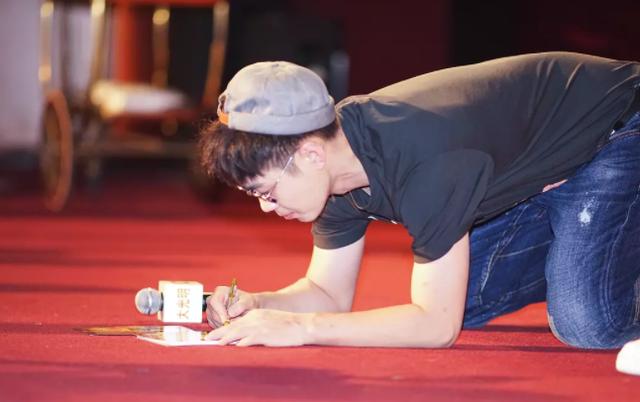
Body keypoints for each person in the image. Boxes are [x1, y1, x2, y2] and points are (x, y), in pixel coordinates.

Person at [199, 52, 640, 349]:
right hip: (538, 159)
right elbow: (327, 293)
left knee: (587, 324)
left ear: (311, 154)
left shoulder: (425, 162)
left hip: (615, 125)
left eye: (266, 191)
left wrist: (300, 327)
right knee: (467, 301)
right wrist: (262, 305)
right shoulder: (333, 165)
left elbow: (436, 326)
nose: (266, 208)